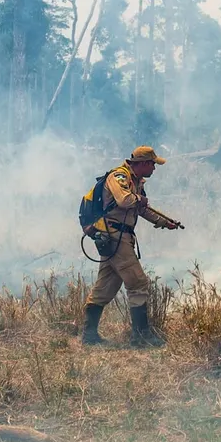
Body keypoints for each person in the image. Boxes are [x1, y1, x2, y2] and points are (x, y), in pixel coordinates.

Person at [82, 146, 182, 348]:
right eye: (153, 164)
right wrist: (139, 198)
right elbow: (125, 200)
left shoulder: (135, 181)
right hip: (115, 236)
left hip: (119, 237)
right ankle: (140, 337)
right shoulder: (119, 177)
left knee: (106, 287)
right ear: (143, 163)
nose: (154, 168)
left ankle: (89, 335)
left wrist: (164, 222)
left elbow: (142, 210)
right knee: (138, 283)